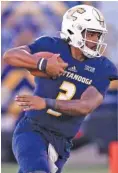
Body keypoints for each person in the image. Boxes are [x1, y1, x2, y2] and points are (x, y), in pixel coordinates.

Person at [3, 4, 118, 173]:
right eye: (91, 34)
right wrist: (42, 64)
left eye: (98, 35)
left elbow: (85, 106)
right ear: (74, 30)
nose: (95, 40)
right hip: (33, 130)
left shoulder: (103, 67)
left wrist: (46, 103)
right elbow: (10, 56)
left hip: (62, 142)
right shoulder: (51, 45)